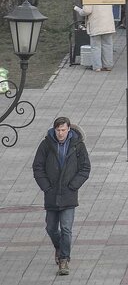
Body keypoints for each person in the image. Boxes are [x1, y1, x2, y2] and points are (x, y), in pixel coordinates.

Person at [32, 116, 91, 276]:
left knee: (66, 228)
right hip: (51, 195)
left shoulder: (78, 146)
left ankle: (64, 259)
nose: (60, 133)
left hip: (68, 195)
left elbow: (85, 168)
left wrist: (73, 186)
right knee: (51, 228)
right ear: (54, 130)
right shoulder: (46, 145)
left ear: (69, 129)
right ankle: (60, 247)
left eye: (63, 130)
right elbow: (38, 167)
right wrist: (46, 187)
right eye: (58, 130)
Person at [75, 0, 116, 71]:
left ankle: (97, 66)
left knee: (96, 46)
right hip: (108, 24)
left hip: (96, 24)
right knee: (108, 45)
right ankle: (108, 65)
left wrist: (77, 9)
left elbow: (87, 11)